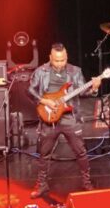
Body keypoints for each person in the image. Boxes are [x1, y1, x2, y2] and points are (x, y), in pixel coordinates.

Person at [28, 43, 103, 197]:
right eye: (56, 60)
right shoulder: (41, 71)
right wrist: (44, 101)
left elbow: (83, 92)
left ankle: (87, 183)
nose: (60, 64)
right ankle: (42, 185)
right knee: (44, 153)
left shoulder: (75, 71)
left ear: (66, 57)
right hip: (49, 117)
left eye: (63, 60)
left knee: (80, 152)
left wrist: (94, 88)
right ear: (50, 58)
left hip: (70, 117)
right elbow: (29, 90)